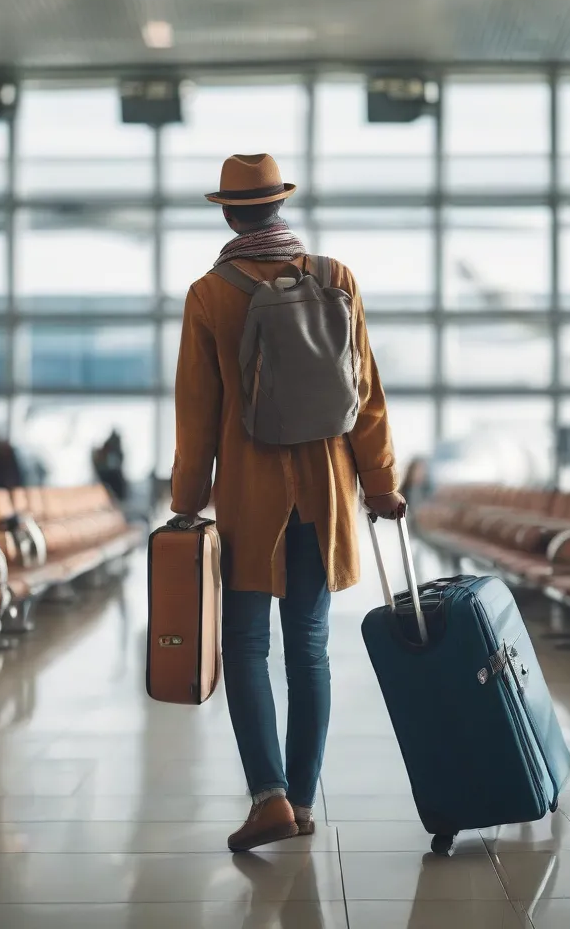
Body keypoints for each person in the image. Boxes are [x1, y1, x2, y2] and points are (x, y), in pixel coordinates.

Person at [170, 153, 404, 853]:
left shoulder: (211, 294)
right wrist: (382, 481)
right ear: (279, 207)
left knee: (245, 644)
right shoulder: (335, 278)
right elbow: (365, 395)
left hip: (250, 495)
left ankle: (267, 795)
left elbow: (197, 414)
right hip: (327, 492)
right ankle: (301, 802)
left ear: (228, 212)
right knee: (309, 649)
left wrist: (187, 502)